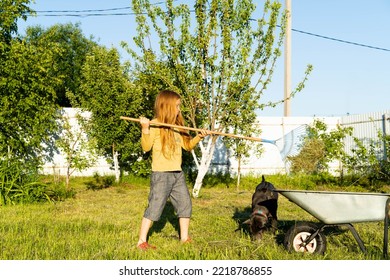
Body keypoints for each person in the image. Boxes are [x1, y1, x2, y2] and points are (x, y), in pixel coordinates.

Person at [136, 90, 208, 251]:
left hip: (177, 174)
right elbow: (146, 147)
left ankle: (184, 238)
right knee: (155, 206)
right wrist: (145, 129)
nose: (179, 109)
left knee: (185, 204)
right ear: (167, 107)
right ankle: (141, 241)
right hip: (161, 175)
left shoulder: (177, 127)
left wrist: (199, 136)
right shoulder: (154, 124)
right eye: (177, 106)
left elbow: (188, 146)